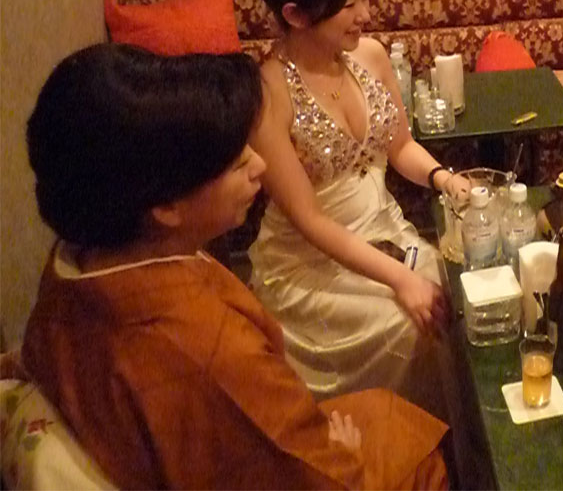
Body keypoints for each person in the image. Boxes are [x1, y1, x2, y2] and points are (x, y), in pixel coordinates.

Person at [21, 44, 449, 489]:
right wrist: (344, 453)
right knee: (423, 453)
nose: (259, 165)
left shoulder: (73, 267)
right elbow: (311, 473)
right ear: (165, 206)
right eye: (235, 161)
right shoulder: (215, 353)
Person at [248, 0, 471, 400]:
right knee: (409, 323)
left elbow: (401, 146)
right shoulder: (268, 93)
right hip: (309, 262)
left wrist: (442, 178)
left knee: (458, 289)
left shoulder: (369, 57)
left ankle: (444, 432)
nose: (366, 15)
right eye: (349, 5)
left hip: (384, 231)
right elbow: (309, 220)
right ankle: (387, 432)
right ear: (296, 15)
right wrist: (400, 278)